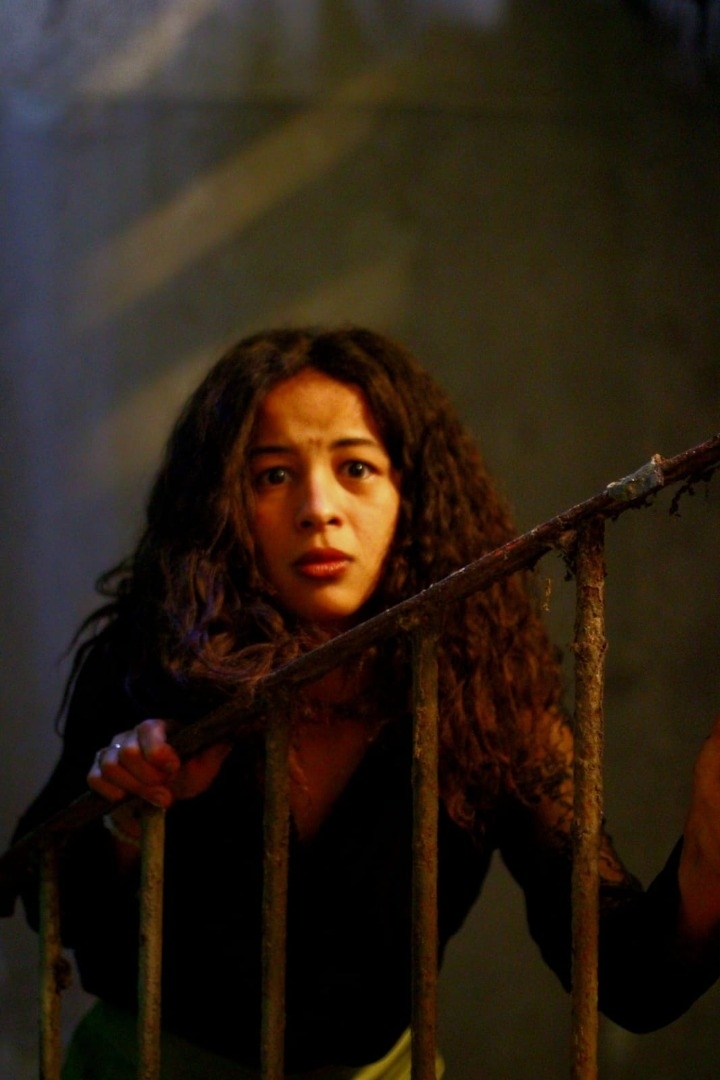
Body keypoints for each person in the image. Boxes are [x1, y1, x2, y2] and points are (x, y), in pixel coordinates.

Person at [12, 326, 720, 1078]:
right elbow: (49, 904)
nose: (319, 508)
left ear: (413, 494)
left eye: (356, 467)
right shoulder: (153, 660)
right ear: (223, 504)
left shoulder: (485, 699)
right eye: (272, 475)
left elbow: (632, 979)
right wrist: (129, 816)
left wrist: (708, 850)